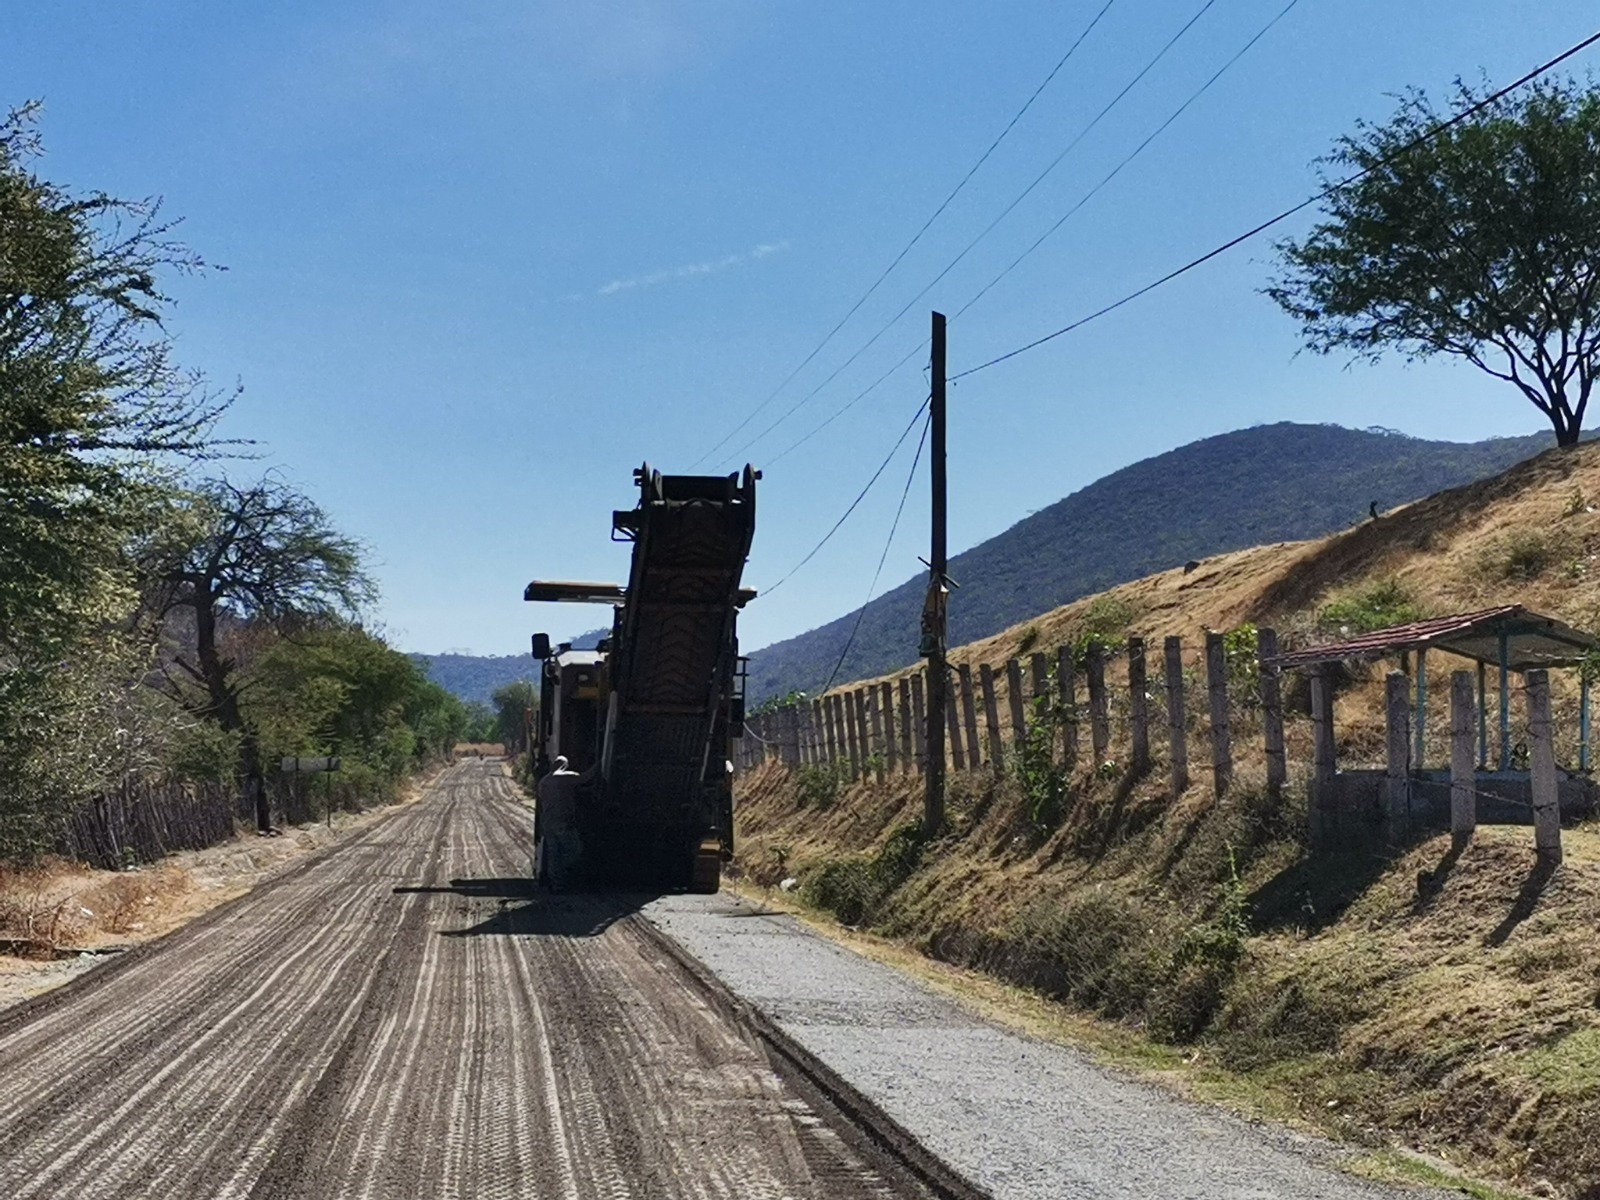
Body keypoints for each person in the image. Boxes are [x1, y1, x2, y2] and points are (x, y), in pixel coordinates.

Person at [536, 755, 584, 891]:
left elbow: (541, 803)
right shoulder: (565, 776)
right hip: (562, 822)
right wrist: (601, 762)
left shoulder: (543, 782)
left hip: (548, 822)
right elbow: (585, 778)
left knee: (553, 853)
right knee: (574, 850)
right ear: (564, 765)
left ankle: (557, 884)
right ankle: (564, 873)